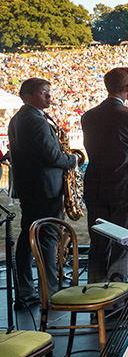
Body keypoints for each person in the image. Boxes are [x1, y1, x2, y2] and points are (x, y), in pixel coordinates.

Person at [7, 78, 80, 307]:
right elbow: (52, 156)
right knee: (47, 237)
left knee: (28, 237)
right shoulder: (35, 120)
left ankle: (26, 290)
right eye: (43, 92)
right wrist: (73, 160)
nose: (49, 96)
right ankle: (50, 291)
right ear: (29, 95)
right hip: (44, 189)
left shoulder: (19, 118)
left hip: (32, 188)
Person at [81, 67, 128, 285]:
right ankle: (117, 298)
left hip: (95, 187)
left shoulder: (89, 116)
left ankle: (95, 295)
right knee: (121, 247)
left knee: (98, 245)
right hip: (124, 189)